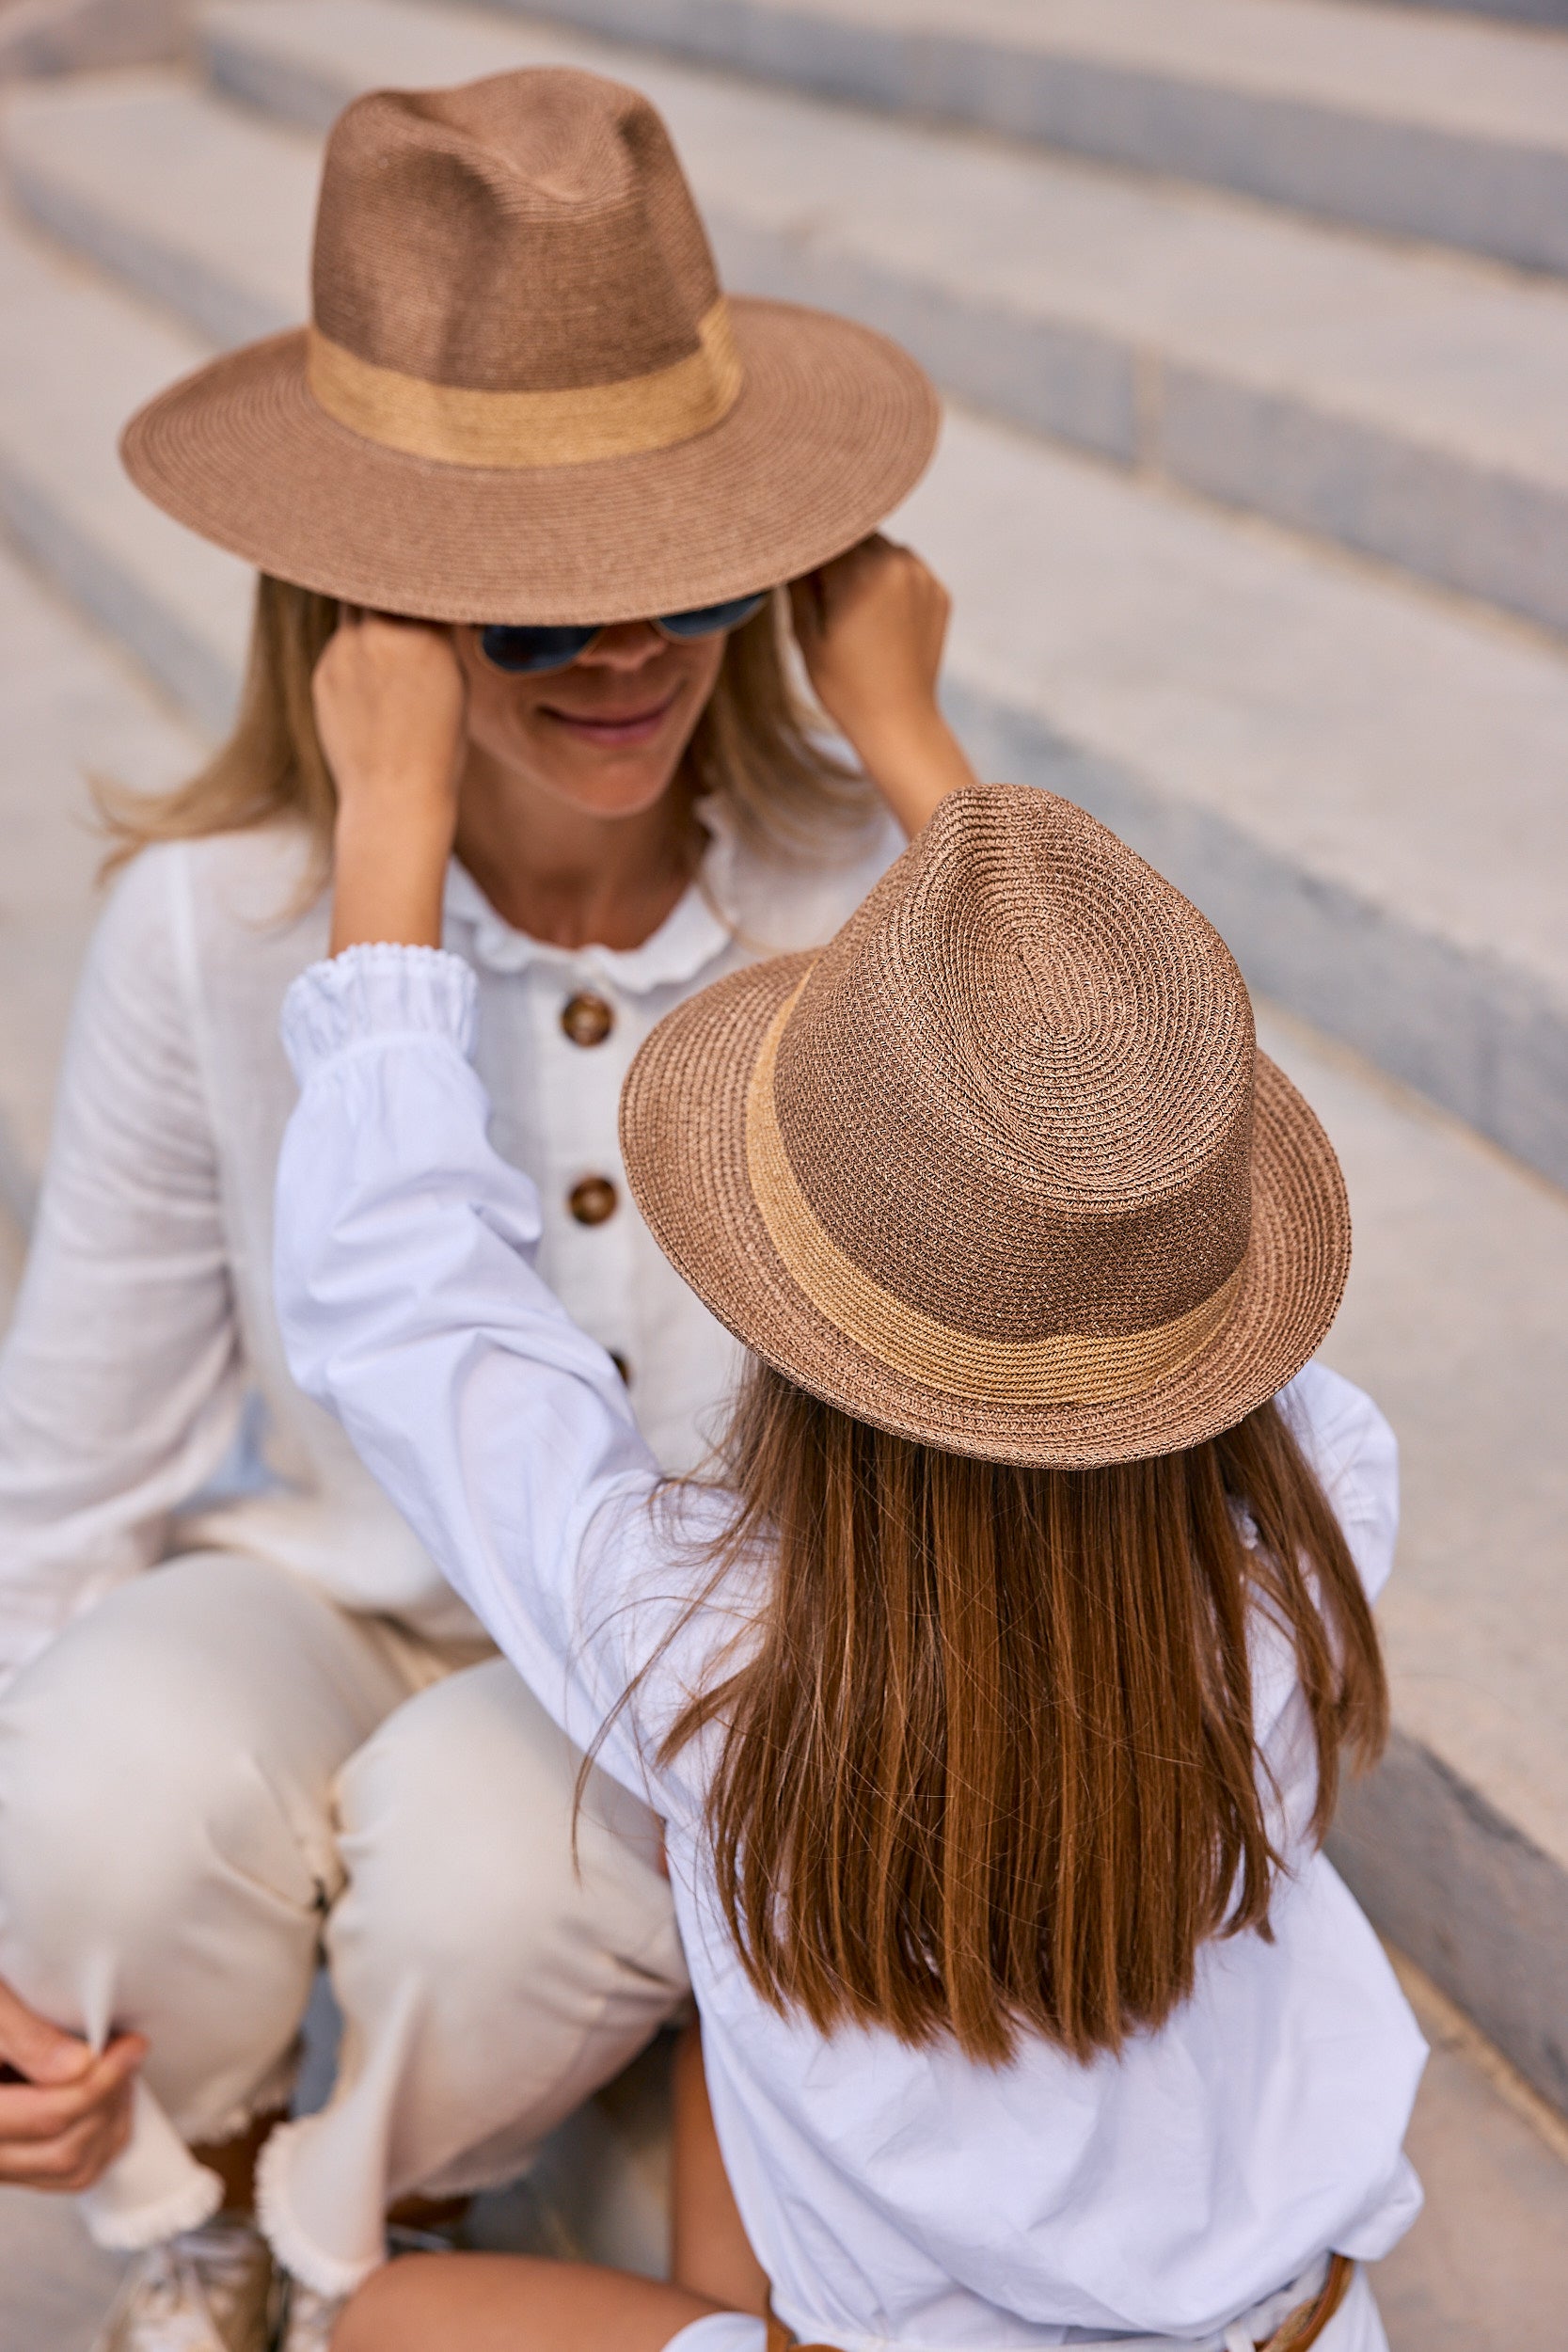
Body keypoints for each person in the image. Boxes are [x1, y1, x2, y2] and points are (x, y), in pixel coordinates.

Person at [0, 62, 965, 2352]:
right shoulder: (213, 927)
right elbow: (79, 1455)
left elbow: (1131, 1147)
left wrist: (932, 783)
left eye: (696, 569)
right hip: (348, 1591)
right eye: (530, 608)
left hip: (680, 1658)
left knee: (477, 1863)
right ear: (365, 610)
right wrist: (384, 866)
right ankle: (198, 2216)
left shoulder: (856, 906)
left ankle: (364, 2236)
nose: (627, 649)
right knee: (99, 1781)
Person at [269, 755, 1428, 2352]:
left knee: (392, 2316)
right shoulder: (1310, 1541)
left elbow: (409, 1310)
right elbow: (1117, 1214)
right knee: (724, 2060)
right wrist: (1024, 939)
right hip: (1304, 2325)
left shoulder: (703, 1641)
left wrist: (388, 826)